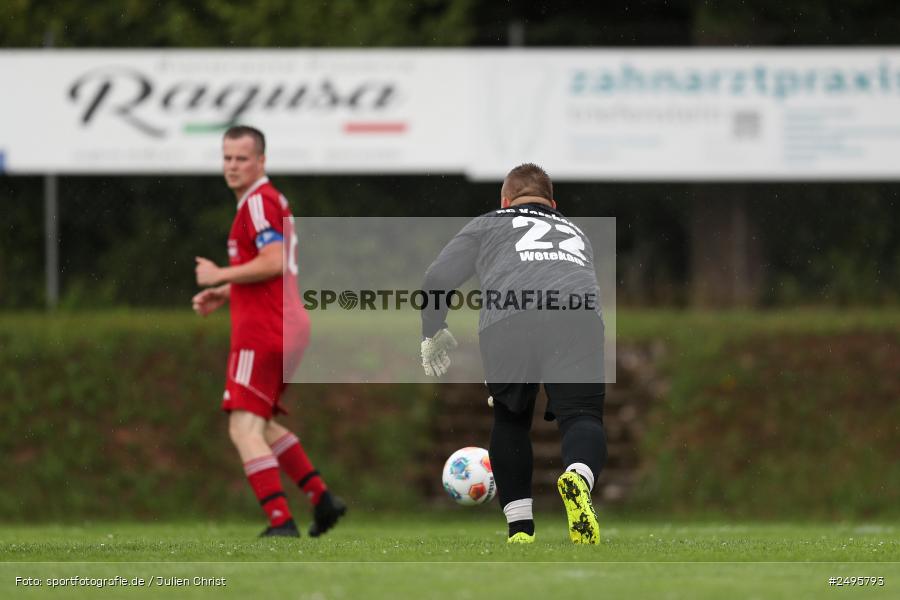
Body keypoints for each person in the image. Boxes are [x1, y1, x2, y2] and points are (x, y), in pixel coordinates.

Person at [420, 163, 607, 544]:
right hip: (578, 316)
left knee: (510, 419)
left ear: (505, 201)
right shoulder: (576, 231)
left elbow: (437, 279)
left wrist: (432, 330)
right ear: (553, 203)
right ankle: (579, 476)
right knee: (582, 416)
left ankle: (520, 530)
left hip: (510, 319)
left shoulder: (490, 223)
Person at [192, 125, 345, 538]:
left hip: (263, 329)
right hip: (285, 323)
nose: (232, 166)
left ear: (261, 161)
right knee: (260, 424)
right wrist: (228, 291)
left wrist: (220, 274)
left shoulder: (258, 202)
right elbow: (273, 269)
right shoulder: (268, 200)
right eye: (227, 158)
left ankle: (281, 522)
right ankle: (321, 498)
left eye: (241, 158)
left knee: (242, 428)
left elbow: (274, 260)